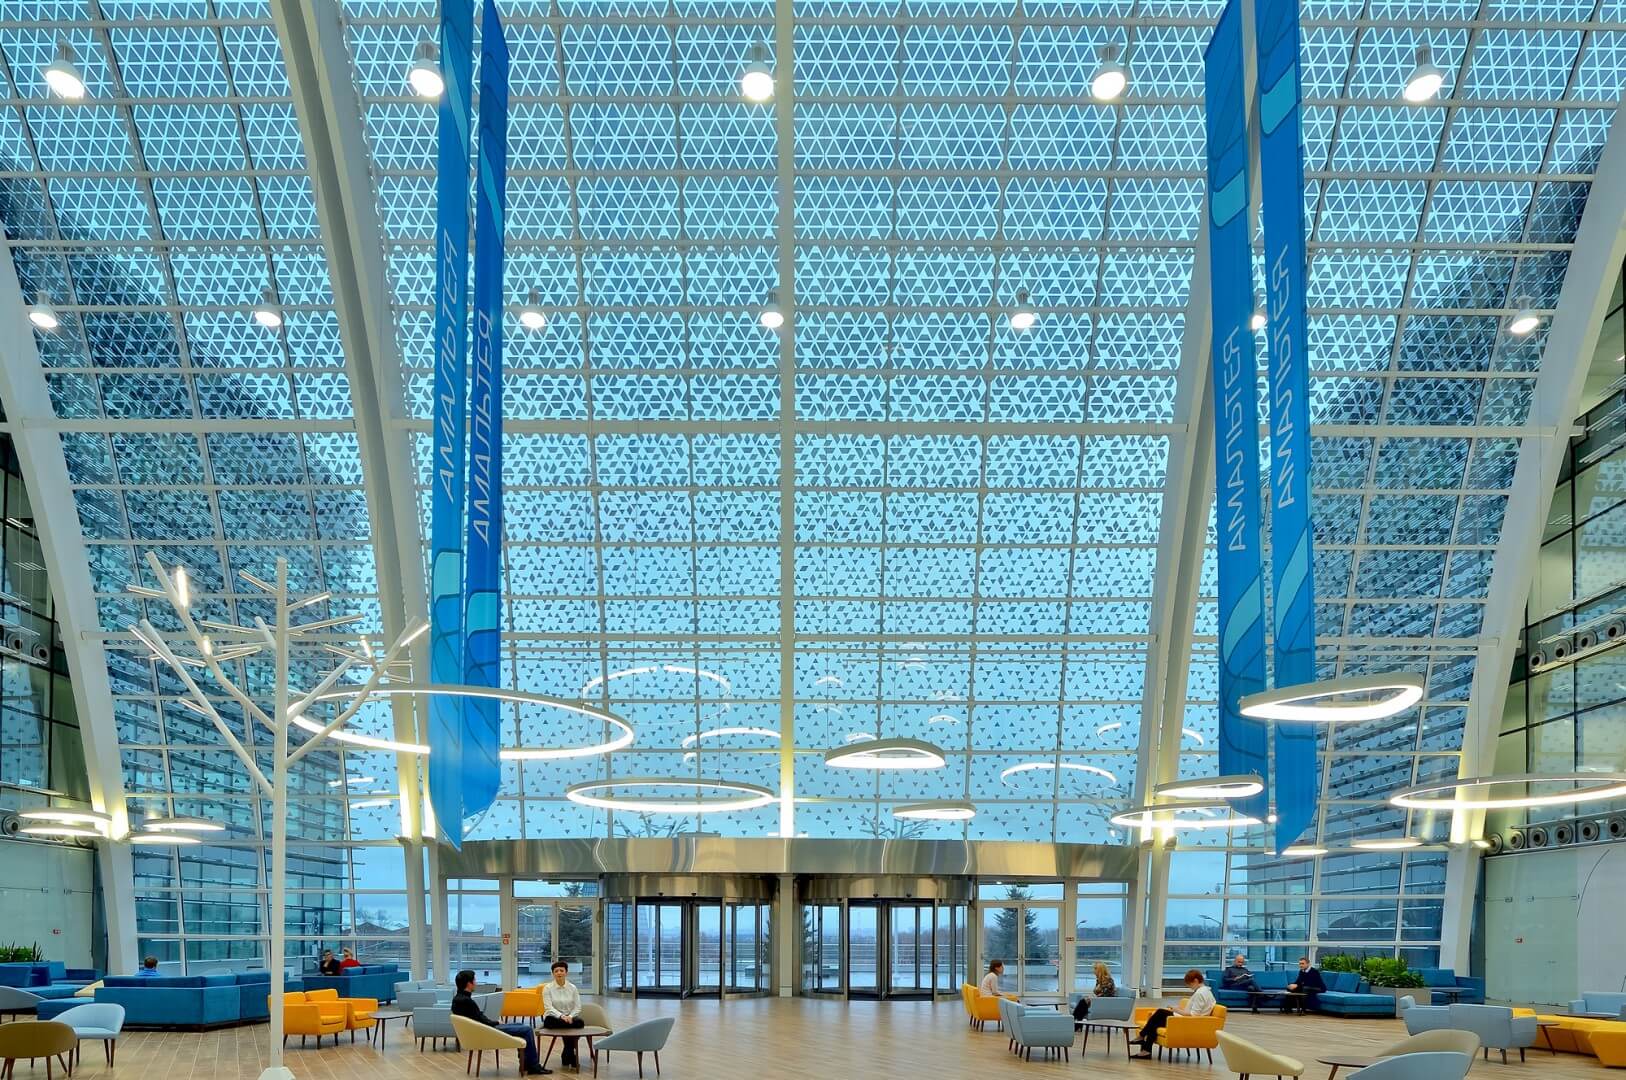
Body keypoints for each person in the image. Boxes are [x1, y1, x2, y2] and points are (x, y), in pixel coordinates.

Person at [451, 968, 551, 1076]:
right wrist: (496, 1023)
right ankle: (533, 1066)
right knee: (527, 1030)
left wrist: (494, 1022)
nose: (476, 983)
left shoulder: (459, 999)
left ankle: (527, 1064)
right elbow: (480, 1019)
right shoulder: (466, 1001)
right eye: (474, 980)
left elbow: (477, 1018)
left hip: (481, 1029)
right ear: (469, 983)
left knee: (520, 1025)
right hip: (486, 1031)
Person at [1132, 969, 1214, 1059]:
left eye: (1190, 984)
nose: (1190, 987)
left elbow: (1193, 1015)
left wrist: (1176, 1010)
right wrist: (1178, 1009)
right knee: (1155, 1022)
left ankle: (1142, 1038)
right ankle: (1146, 1050)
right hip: (1190, 1021)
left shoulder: (1200, 994)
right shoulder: (1207, 992)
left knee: (1159, 1013)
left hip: (1188, 1022)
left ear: (1195, 981)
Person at [541, 960, 585, 1070]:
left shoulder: (573, 988)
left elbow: (578, 1007)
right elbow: (548, 1008)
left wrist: (570, 1016)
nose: (559, 973)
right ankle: (570, 1054)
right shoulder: (547, 988)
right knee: (553, 1022)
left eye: (561, 970)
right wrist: (562, 1016)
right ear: (553, 973)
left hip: (569, 1018)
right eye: (556, 971)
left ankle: (567, 1052)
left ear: (566, 972)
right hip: (554, 1018)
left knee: (580, 1022)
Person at [1072, 961, 1118, 1027]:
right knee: (1083, 1002)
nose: (1093, 971)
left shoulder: (1108, 980)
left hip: (1105, 1002)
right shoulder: (1099, 980)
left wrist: (1093, 998)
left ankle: (1075, 1024)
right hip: (1098, 1001)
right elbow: (1097, 992)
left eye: (1095, 969)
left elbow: (1105, 994)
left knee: (1083, 1002)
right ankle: (1076, 1023)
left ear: (1100, 970)